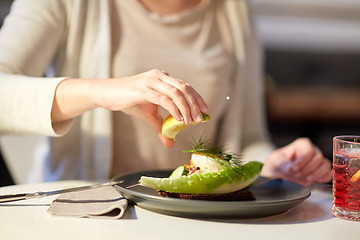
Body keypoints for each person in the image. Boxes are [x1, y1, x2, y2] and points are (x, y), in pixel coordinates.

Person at [0, 0, 331, 185]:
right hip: (85, 222)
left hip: (197, 224)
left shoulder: (234, 11)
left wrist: (270, 166)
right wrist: (101, 91)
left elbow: (246, 139)